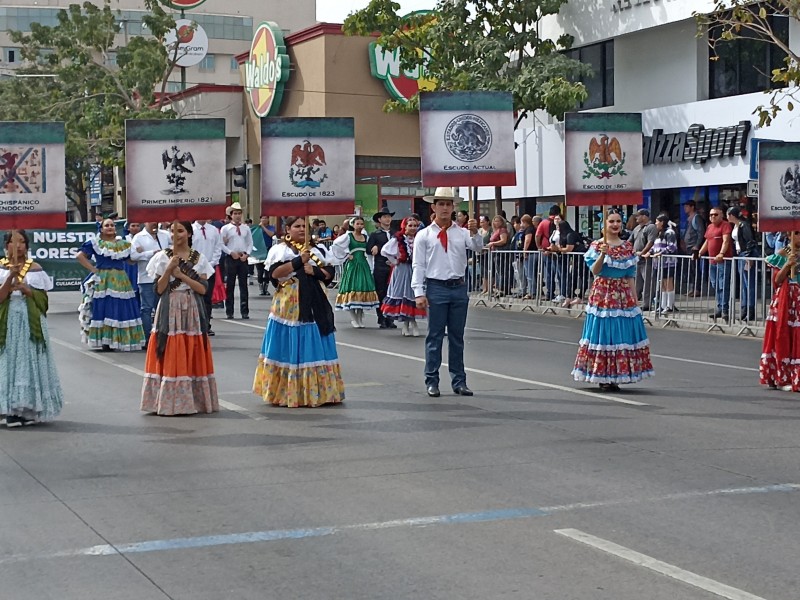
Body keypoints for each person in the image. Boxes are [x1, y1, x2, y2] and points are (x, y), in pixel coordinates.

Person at [253, 216, 344, 408]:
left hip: (315, 299)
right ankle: (287, 391)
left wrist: (314, 271)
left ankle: (318, 391)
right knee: (292, 338)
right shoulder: (281, 249)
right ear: (288, 228)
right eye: (297, 226)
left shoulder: (318, 249)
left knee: (315, 337)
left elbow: (329, 273)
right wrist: (298, 261)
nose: (302, 229)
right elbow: (275, 274)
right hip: (289, 302)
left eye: (305, 226)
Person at [140, 221, 218, 416]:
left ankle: (194, 400)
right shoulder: (162, 256)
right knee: (170, 347)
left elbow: (202, 289)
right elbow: (158, 289)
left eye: (181, 231)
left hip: (191, 306)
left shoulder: (199, 258)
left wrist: (182, 276)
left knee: (191, 348)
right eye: (172, 231)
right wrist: (168, 270)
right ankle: (168, 400)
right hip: (170, 305)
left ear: (189, 234)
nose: (176, 234)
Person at [412, 187, 483, 397]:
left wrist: (475, 232)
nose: (444, 208)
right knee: (434, 336)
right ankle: (431, 380)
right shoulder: (424, 235)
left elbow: (477, 247)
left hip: (458, 287)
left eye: (448, 204)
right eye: (440, 204)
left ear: (453, 207)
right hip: (436, 287)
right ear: (433, 207)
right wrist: (419, 291)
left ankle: (459, 381)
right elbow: (419, 265)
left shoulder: (461, 233)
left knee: (457, 337)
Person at [572, 209, 653, 391]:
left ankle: (616, 375)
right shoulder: (596, 245)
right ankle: (603, 376)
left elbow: (630, 275)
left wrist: (635, 301)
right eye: (612, 222)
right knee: (604, 334)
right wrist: (603, 254)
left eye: (618, 221)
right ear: (604, 224)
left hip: (622, 294)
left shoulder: (627, 247)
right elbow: (595, 271)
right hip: (603, 293)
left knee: (621, 334)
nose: (615, 225)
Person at [0, 230, 63, 427]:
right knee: (7, 361)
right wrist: (10, 277)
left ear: (27, 246)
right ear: (6, 246)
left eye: (21, 242)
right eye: (12, 241)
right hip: (7, 321)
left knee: (27, 362)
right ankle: (7, 407)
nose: (17, 246)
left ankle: (24, 409)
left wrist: (28, 291)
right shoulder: (1, 268)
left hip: (29, 322)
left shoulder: (35, 269)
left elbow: (44, 302)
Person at [77, 218, 146, 351]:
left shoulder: (123, 244)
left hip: (120, 278)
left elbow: (130, 261)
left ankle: (117, 339)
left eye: (112, 225)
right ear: (101, 229)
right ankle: (105, 339)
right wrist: (93, 269)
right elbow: (80, 256)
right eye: (107, 225)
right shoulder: (96, 243)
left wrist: (139, 253)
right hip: (103, 278)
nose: (110, 227)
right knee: (103, 307)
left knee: (120, 307)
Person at [760, 234, 800, 390]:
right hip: (786, 300)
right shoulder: (783, 253)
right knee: (782, 334)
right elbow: (776, 280)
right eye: (796, 234)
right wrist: (788, 265)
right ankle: (781, 376)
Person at [381, 215, 426, 336]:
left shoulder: (419, 238)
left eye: (415, 226)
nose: (413, 228)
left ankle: (412, 323)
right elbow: (384, 250)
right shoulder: (398, 239)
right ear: (404, 226)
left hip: (415, 269)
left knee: (413, 294)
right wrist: (395, 261)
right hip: (402, 269)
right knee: (404, 295)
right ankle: (407, 324)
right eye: (410, 225)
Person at [332, 216, 379, 328]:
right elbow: (336, 245)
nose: (360, 226)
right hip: (353, 265)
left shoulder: (365, 237)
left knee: (362, 288)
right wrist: (347, 254)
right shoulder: (348, 236)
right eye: (358, 224)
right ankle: (353, 318)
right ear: (353, 225)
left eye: (361, 224)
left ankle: (359, 317)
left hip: (363, 264)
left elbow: (370, 248)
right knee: (353, 288)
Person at [131, 222, 173, 341]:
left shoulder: (164, 235)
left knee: (162, 307)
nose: (154, 223)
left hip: (163, 277)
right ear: (145, 222)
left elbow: (176, 245)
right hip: (146, 278)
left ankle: (162, 335)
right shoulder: (139, 237)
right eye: (151, 221)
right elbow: (133, 255)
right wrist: (151, 253)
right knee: (147, 309)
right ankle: (147, 338)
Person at [696, 206, 733, 321]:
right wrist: (699, 253)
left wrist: (721, 253)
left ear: (721, 215)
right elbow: (707, 242)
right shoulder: (710, 227)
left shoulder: (725, 225)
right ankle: (719, 308)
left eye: (715, 214)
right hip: (712, 261)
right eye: (711, 215)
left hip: (723, 261)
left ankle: (724, 309)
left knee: (723, 285)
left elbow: (726, 240)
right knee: (715, 285)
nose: (713, 216)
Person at [220, 202, 253, 320]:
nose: (238, 216)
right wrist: (230, 252)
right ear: (231, 215)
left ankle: (245, 311)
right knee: (230, 285)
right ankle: (230, 311)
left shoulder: (246, 228)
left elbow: (250, 243)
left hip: (242, 258)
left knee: (244, 285)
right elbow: (221, 244)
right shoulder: (226, 228)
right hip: (231, 258)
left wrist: (247, 254)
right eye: (235, 214)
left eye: (239, 213)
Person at [727, 207, 759, 322]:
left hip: (746, 254)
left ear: (732, 215)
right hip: (740, 254)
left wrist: (748, 256)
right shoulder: (736, 226)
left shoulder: (743, 225)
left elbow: (750, 241)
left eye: (728, 214)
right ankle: (744, 309)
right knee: (743, 284)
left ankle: (750, 310)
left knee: (749, 283)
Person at [192, 220, 223, 336]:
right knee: (195, 298)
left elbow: (217, 248)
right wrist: (195, 266)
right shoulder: (191, 229)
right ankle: (195, 324)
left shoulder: (213, 230)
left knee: (207, 298)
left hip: (209, 268)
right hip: (194, 269)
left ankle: (206, 325)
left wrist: (211, 263)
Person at [368, 207, 397, 328]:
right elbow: (368, 250)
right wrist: (375, 248)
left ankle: (390, 317)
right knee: (381, 292)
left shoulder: (395, 233)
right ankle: (381, 317)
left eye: (389, 217)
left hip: (393, 266)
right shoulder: (375, 234)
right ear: (380, 219)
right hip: (380, 266)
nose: (387, 219)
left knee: (392, 292)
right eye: (385, 217)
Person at [649, 214, 678, 314]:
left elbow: (672, 247)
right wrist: (650, 252)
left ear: (662, 222)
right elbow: (655, 246)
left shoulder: (670, 232)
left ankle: (670, 306)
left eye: (657, 221)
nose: (656, 223)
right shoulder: (659, 233)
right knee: (662, 283)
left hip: (668, 262)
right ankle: (662, 305)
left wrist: (661, 253)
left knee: (668, 282)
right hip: (659, 263)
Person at [630, 208, 657, 311]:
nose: (636, 217)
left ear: (644, 216)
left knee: (648, 282)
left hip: (647, 260)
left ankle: (647, 304)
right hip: (637, 259)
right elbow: (630, 241)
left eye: (638, 215)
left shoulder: (651, 227)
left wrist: (642, 253)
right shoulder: (637, 228)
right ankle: (634, 302)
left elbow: (650, 242)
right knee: (637, 282)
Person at [536, 205, 561, 300]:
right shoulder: (560, 222)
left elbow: (537, 236)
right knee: (559, 273)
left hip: (546, 250)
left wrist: (540, 247)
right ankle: (562, 293)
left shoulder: (544, 223)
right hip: (557, 251)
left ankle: (550, 293)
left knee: (549, 273)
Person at [683, 199, 706, 296]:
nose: (685, 208)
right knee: (690, 269)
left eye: (687, 206)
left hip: (694, 248)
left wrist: (697, 245)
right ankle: (692, 288)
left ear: (692, 207)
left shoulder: (696, 218)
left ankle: (697, 289)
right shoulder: (689, 218)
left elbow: (701, 232)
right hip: (688, 248)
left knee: (695, 268)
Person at [487, 215, 511, 297]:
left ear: (502, 222)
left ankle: (503, 289)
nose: (496, 222)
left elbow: (503, 241)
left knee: (502, 271)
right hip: (495, 253)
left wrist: (493, 243)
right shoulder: (494, 231)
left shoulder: (502, 230)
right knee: (498, 272)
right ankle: (498, 288)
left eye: (498, 221)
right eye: (495, 221)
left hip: (501, 253)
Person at [254, 215, 275, 297]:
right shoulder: (257, 228)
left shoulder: (271, 227)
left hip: (268, 250)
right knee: (260, 270)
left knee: (267, 270)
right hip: (259, 250)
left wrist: (263, 227)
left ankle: (265, 288)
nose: (264, 219)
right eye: (262, 218)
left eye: (266, 218)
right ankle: (260, 288)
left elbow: (271, 234)